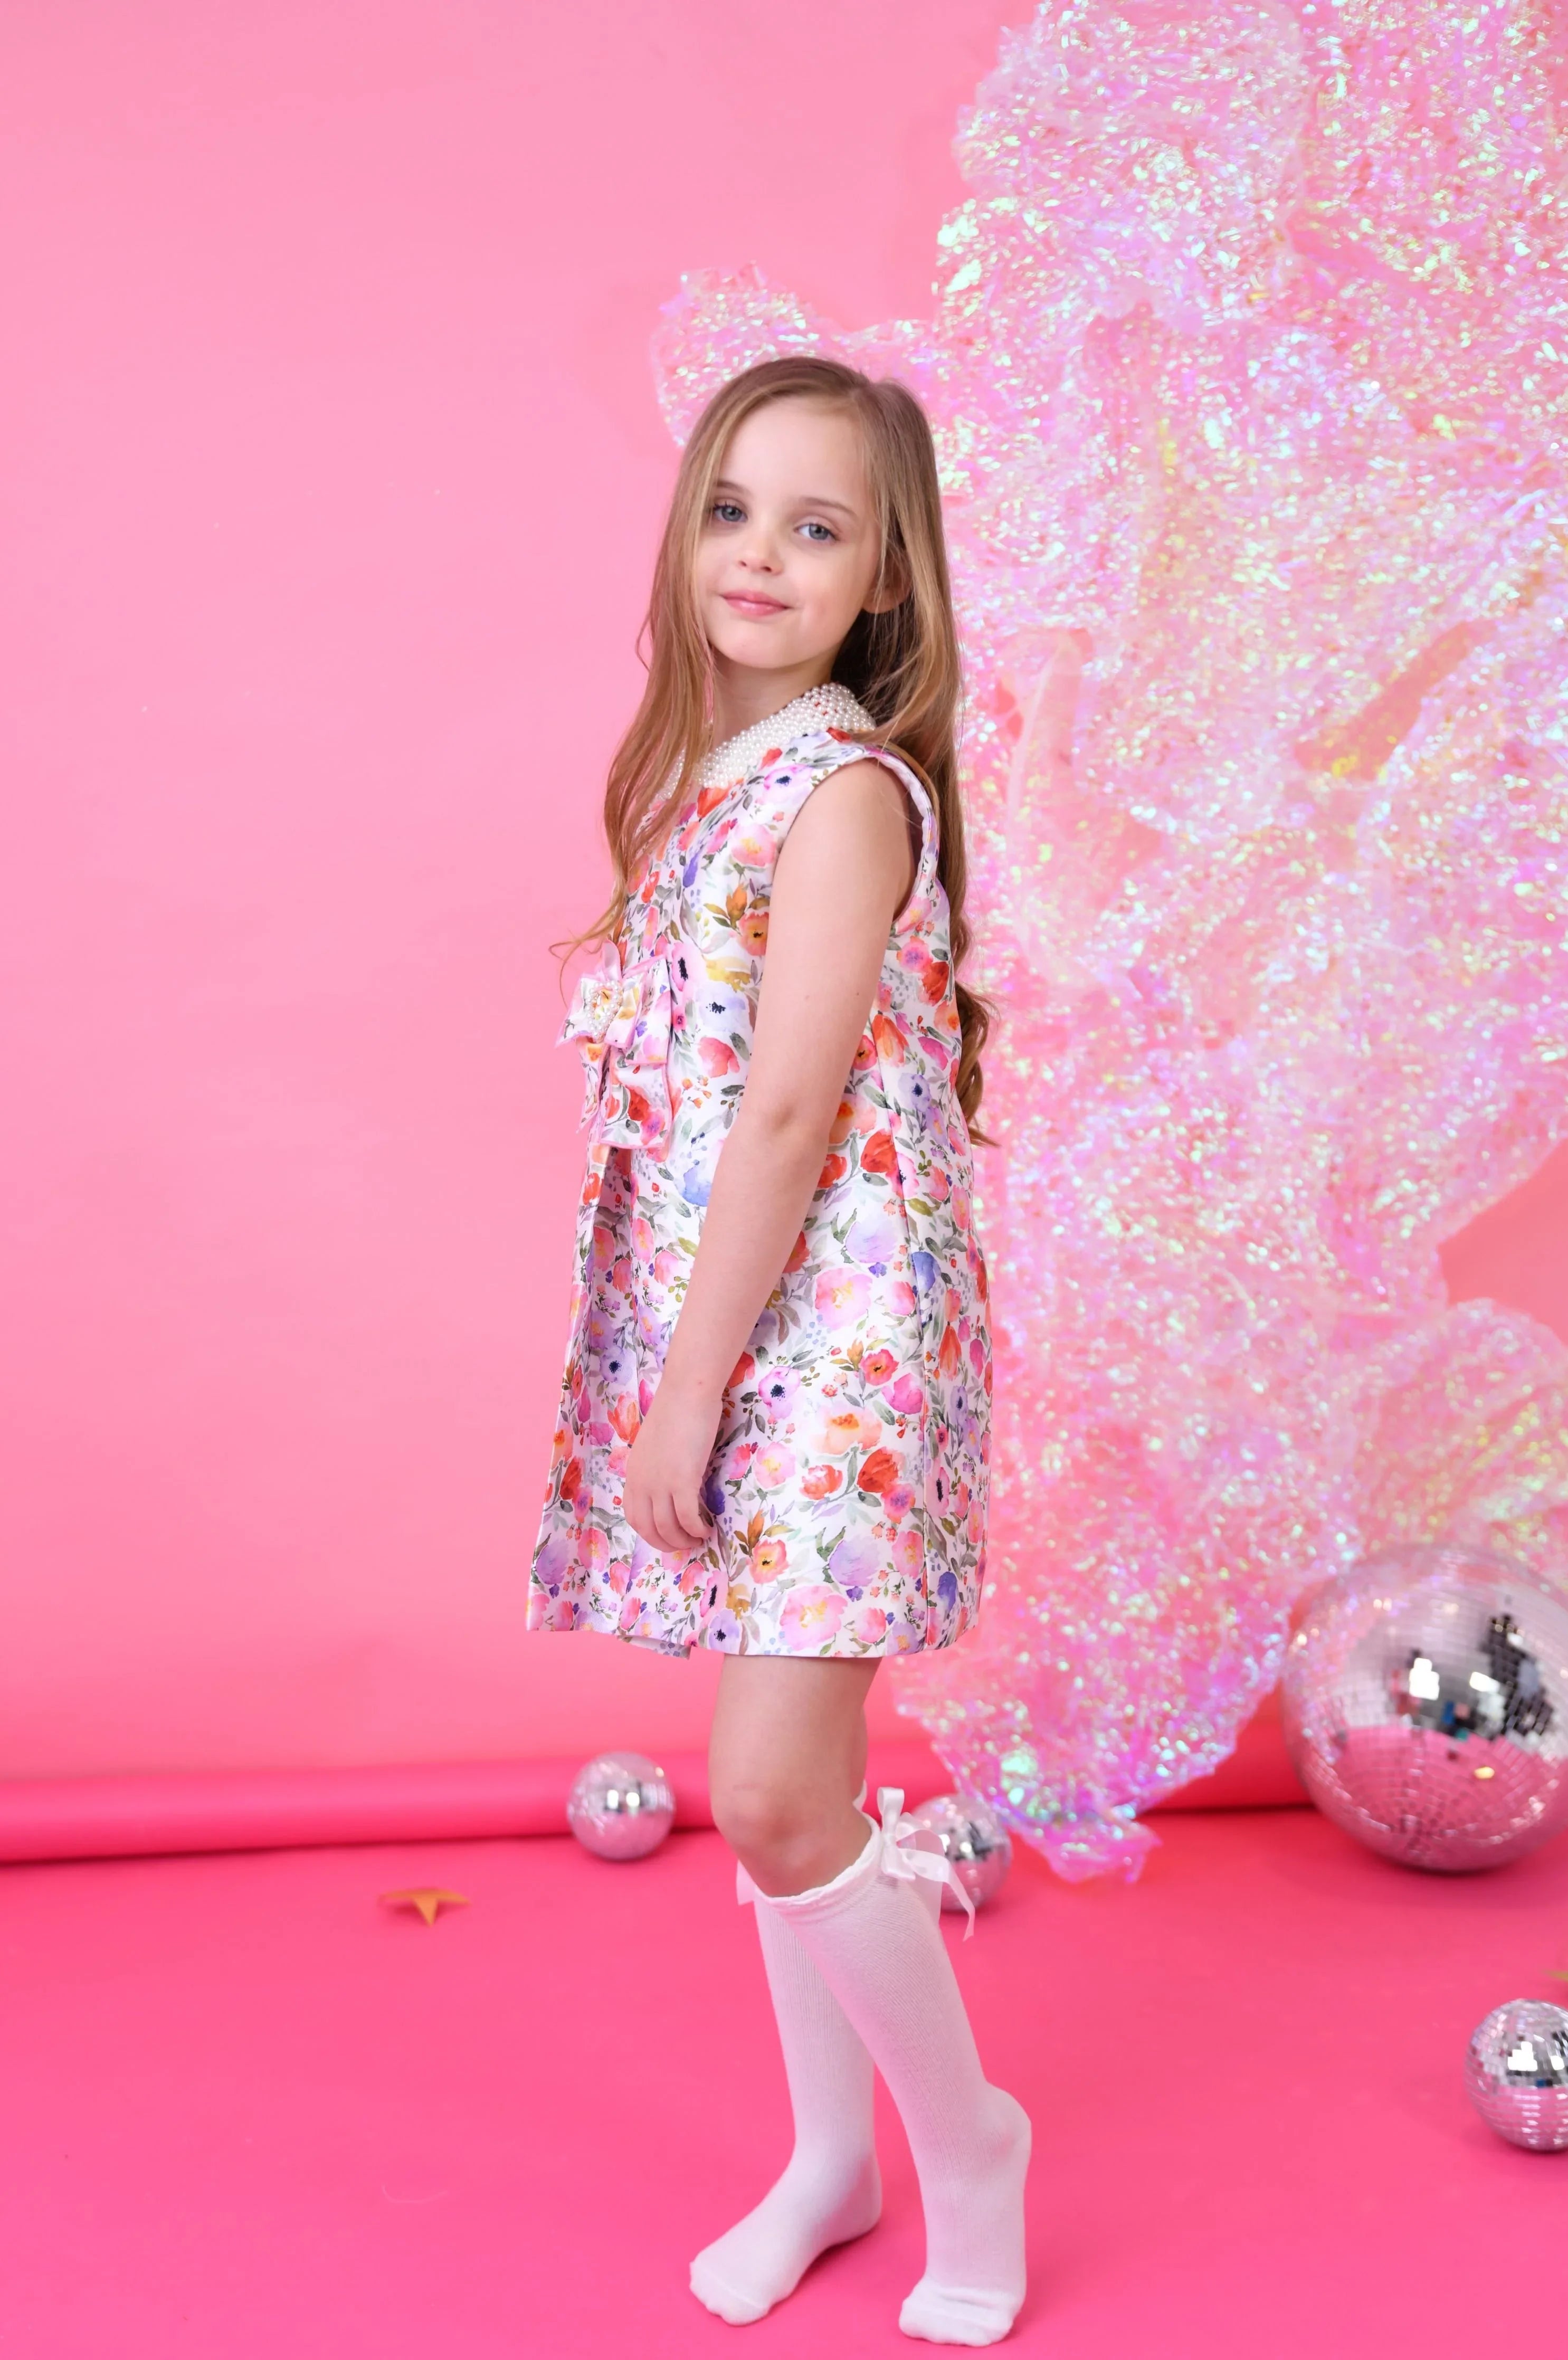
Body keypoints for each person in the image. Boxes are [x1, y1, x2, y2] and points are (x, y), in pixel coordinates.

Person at [528, 355, 1028, 2346]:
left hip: (832, 1352)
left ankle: (967, 2140)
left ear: (881, 580)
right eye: (735, 509)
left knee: (767, 1794)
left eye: (817, 527)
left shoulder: (839, 795)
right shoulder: (706, 788)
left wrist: (695, 1383)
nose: (761, 555)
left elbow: (792, 1111)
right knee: (790, 1781)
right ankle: (833, 2161)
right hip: (747, 1324)